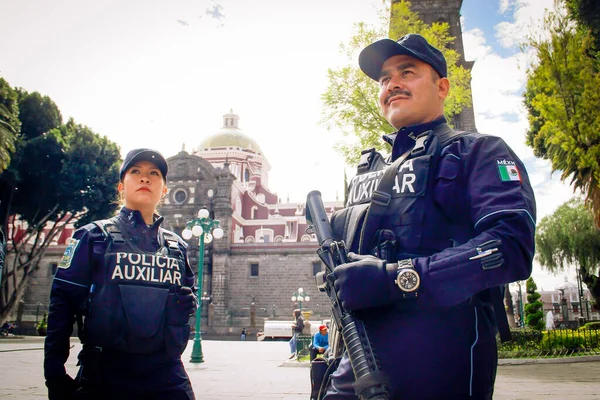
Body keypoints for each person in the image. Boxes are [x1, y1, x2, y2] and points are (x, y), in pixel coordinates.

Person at [323, 34, 536, 399]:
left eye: (407, 72)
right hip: (355, 366)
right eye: (384, 79)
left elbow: (511, 246)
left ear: (442, 87)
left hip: (440, 368)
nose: (392, 84)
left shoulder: (481, 152)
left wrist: (399, 279)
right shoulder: (368, 170)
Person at [44, 148, 197, 400]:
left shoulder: (177, 247)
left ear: (165, 189)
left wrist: (187, 303)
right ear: (120, 186)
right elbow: (61, 304)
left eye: (154, 173)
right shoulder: (92, 236)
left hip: (167, 374)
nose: (145, 178)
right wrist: (54, 374)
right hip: (105, 372)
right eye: (135, 171)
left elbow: (188, 295)